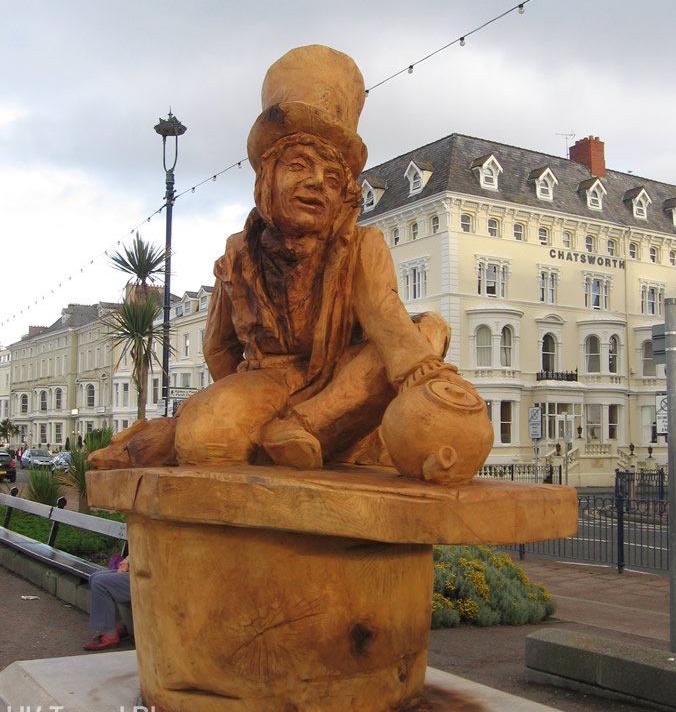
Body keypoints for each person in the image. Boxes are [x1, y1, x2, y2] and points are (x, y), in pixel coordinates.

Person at [90, 45, 492, 483]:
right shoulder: (238, 253)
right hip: (268, 381)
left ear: (344, 196)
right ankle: (235, 436)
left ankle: (303, 430)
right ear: (268, 177)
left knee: (427, 330)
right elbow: (218, 347)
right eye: (299, 166)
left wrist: (428, 379)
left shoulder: (362, 244)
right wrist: (238, 398)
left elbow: (383, 316)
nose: (318, 183)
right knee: (206, 440)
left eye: (333, 178)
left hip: (346, 387)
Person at [82, 556, 132, 651]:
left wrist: (129, 563)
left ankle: (110, 636)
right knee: (94, 577)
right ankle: (118, 627)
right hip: (144, 570)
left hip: (157, 578)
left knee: (99, 583)